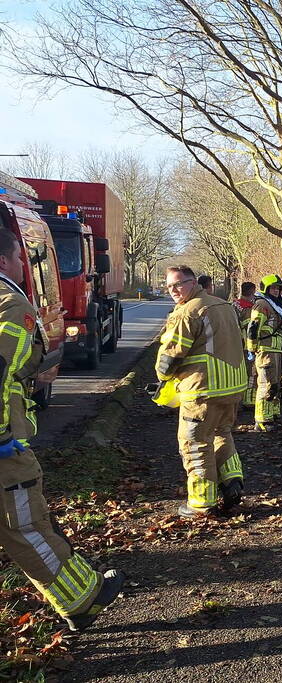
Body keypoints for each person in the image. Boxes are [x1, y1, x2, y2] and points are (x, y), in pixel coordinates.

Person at [0, 228, 124, 631]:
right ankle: (81, 599)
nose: (24, 266)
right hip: (3, 448)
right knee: (26, 527)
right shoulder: (8, 305)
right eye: (21, 257)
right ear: (4, 260)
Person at [156, 265, 248, 518]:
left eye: (178, 284)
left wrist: (162, 379)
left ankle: (201, 504)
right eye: (169, 286)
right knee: (222, 434)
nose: (173, 290)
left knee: (195, 444)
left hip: (202, 391)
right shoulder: (224, 306)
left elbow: (170, 356)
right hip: (231, 388)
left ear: (193, 282)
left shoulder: (187, 312)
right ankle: (232, 482)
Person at [247, 275, 282, 431]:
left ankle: (272, 416)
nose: (276, 291)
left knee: (276, 386)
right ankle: (262, 421)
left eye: (278, 288)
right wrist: (252, 349)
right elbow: (253, 327)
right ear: (265, 289)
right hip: (265, 351)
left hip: (276, 351)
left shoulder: (276, 305)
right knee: (267, 385)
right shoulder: (262, 304)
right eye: (273, 288)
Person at [233, 281, 258, 408]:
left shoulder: (235, 304)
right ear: (252, 291)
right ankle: (248, 401)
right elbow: (251, 329)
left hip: (234, 344)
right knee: (251, 374)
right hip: (246, 345)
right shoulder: (248, 308)